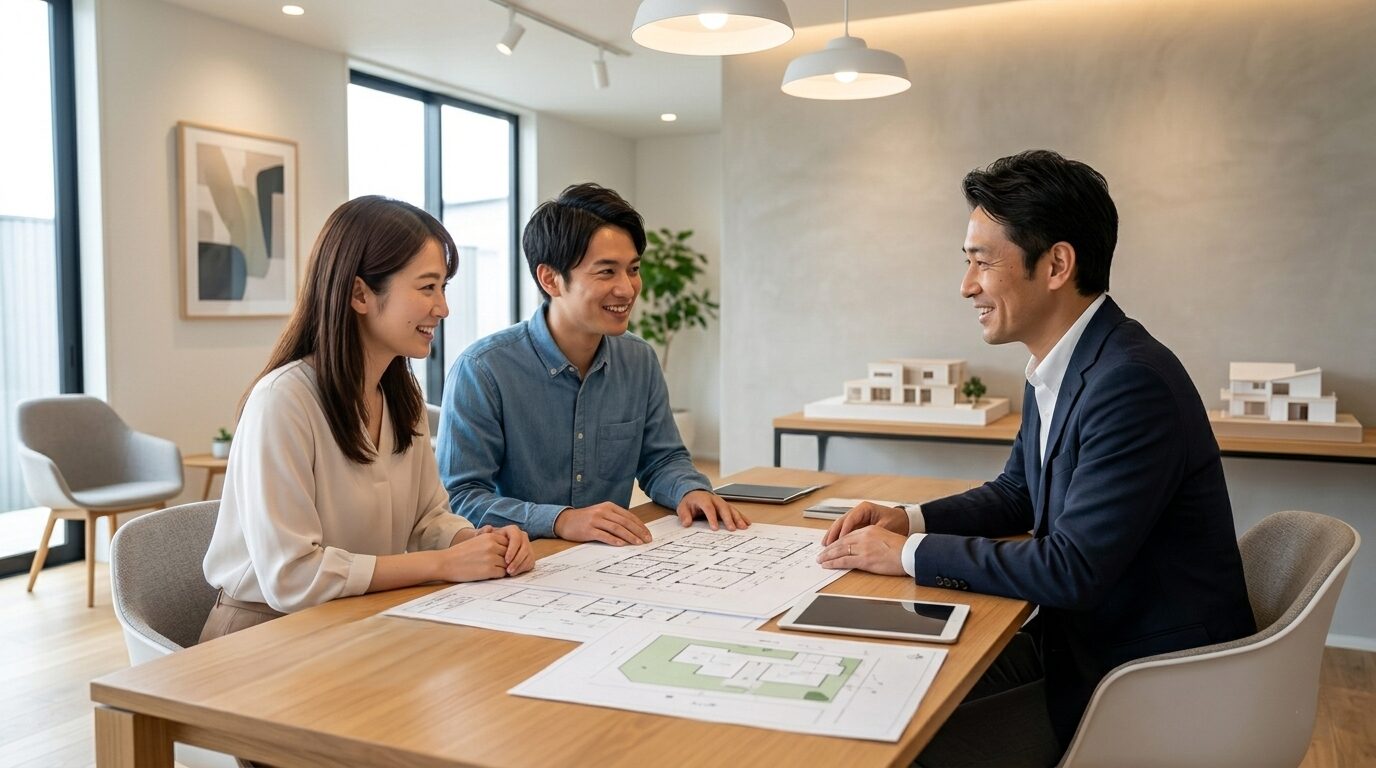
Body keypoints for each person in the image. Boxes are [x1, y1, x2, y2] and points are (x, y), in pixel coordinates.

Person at [817, 151, 1256, 766]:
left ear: (1055, 265)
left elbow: (1071, 568)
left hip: (1145, 682)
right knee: (881, 699)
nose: (966, 285)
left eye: (982, 261)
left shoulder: (1130, 382)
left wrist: (907, 554)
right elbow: (1018, 493)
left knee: (898, 745)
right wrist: (908, 519)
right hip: (1081, 647)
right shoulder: (1064, 363)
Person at [201, 196, 533, 643]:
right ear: (360, 294)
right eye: (427, 288)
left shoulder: (401, 398)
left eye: (443, 288)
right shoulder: (283, 401)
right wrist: (442, 564)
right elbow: (291, 577)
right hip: (262, 633)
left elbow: (427, 519)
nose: (442, 308)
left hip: (355, 617)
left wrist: (473, 543)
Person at [438, 183, 747, 546]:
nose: (627, 289)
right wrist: (561, 520)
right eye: (606, 272)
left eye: (633, 269)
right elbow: (460, 499)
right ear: (550, 279)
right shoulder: (483, 370)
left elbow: (662, 459)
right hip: (520, 562)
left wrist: (689, 489)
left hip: (612, 559)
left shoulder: (638, 359)